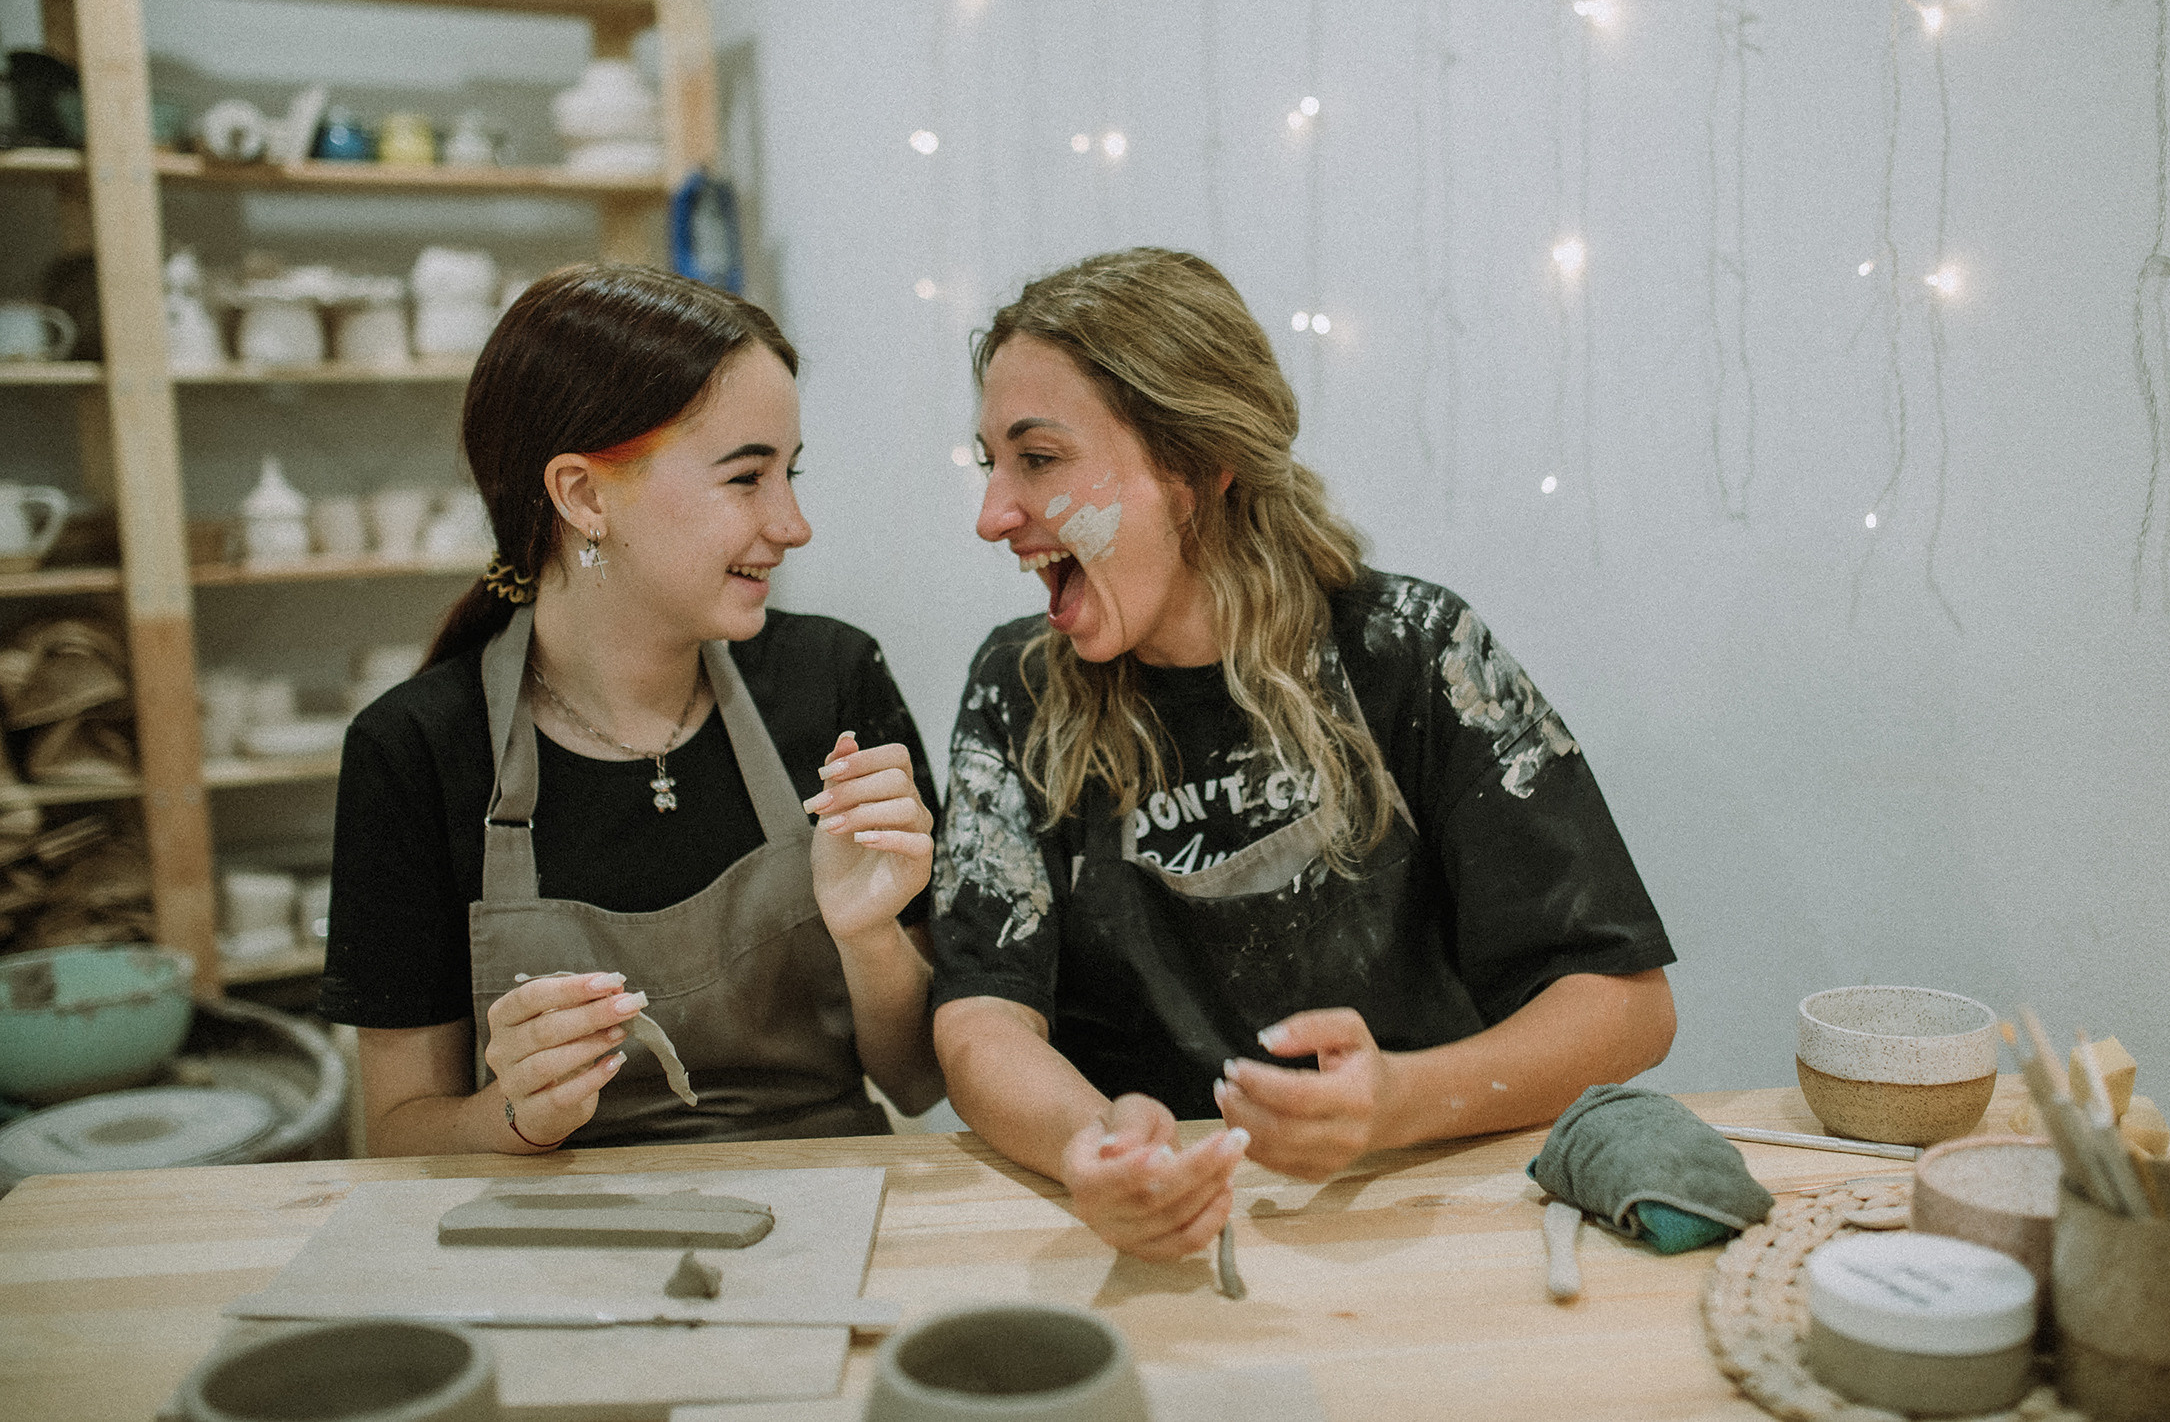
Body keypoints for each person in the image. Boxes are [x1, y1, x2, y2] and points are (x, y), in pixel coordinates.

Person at [929, 247, 1678, 1260]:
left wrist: (1400, 1099)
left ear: (1196, 467)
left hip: (1413, 1219)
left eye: (1040, 459)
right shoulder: (1017, 686)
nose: (992, 516)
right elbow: (981, 1019)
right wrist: (1095, 1148)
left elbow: (1625, 1008)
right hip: (1147, 1233)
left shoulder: (1412, 652)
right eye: (992, 463)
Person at [322, 263, 944, 1154]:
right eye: (747, 478)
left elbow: (918, 1081)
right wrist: (516, 1112)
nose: (793, 523)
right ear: (584, 496)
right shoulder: (415, 750)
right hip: (561, 1221)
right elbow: (397, 1135)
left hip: (827, 1195)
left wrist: (871, 934)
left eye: (791, 473)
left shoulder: (832, 681)